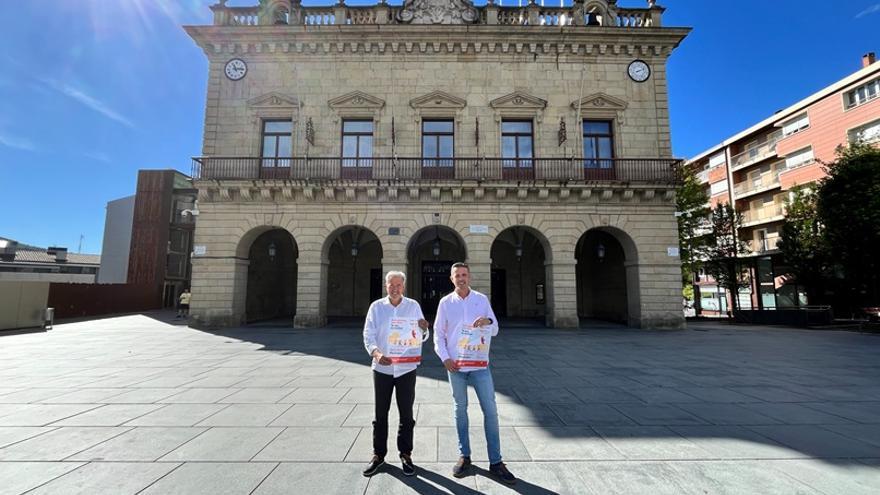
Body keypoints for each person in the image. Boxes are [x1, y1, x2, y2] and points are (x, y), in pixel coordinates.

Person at [433, 262, 516, 485]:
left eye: (464, 275)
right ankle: (465, 456)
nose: (461, 278)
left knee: (490, 411)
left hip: (480, 366)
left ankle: (496, 462)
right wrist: (445, 358)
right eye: (457, 275)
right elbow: (438, 334)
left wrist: (487, 321)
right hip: (457, 367)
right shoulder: (445, 303)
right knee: (460, 410)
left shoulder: (481, 299)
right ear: (451, 279)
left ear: (469, 277)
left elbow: (496, 328)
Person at [362, 270, 429, 477]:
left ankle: (406, 454)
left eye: (398, 285)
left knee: (406, 415)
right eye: (391, 284)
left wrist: (424, 329)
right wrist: (375, 352)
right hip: (382, 368)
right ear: (386, 285)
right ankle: (378, 455)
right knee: (380, 414)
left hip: (406, 368)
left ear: (404, 286)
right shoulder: (376, 307)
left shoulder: (413, 306)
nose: (395, 288)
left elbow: (422, 336)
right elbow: (368, 334)